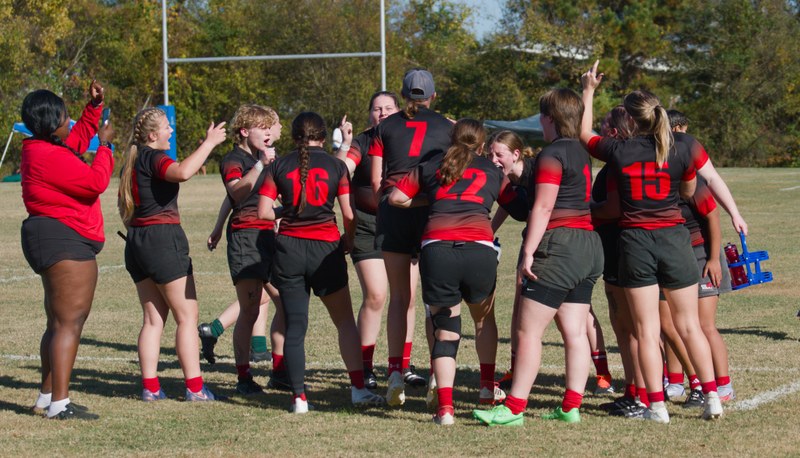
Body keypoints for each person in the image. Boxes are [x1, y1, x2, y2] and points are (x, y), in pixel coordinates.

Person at [578, 60, 747, 423]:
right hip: (675, 239)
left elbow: (585, 135)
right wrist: (735, 212)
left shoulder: (620, 151)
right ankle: (712, 396)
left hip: (636, 241)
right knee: (689, 325)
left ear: (632, 120)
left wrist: (588, 91)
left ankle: (656, 406)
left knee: (646, 329)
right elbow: (710, 181)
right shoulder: (683, 145)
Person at [474, 88, 603, 426]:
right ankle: (571, 406)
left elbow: (544, 206)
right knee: (574, 332)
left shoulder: (550, 155)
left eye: (542, 116)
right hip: (589, 245)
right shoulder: (581, 151)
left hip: (559, 246)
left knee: (528, 331)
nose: (540, 121)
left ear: (550, 118)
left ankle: (514, 408)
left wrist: (528, 251)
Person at [390, 118, 518, 425]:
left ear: (451, 139)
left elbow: (397, 197)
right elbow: (516, 204)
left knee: (446, 328)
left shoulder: (432, 165)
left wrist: (431, 197)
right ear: (483, 145)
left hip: (438, 250)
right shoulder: (492, 170)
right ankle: (487, 388)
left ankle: (445, 409)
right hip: (479, 249)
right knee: (483, 320)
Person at [257, 111, 384, 413]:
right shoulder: (336, 166)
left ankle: (299, 398)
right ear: (324, 138)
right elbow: (350, 215)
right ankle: (358, 389)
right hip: (326, 249)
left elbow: (262, 213)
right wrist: (349, 241)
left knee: (296, 327)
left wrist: (286, 211)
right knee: (344, 323)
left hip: (288, 251)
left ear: (294, 137)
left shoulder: (279, 166)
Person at [118, 107, 227, 402]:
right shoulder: (153, 157)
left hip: (137, 241)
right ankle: (195, 388)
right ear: (153, 135)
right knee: (187, 317)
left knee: (153, 320)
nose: (171, 131)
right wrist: (209, 142)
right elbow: (183, 172)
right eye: (167, 127)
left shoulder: (134, 158)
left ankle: (151, 388)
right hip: (162, 241)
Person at [21, 81, 114, 420]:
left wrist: (94, 109)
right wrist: (105, 147)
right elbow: (94, 182)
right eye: (64, 115)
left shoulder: (43, 147)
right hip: (63, 238)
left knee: (58, 322)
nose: (69, 120)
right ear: (51, 123)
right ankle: (60, 404)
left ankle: (47, 397)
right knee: (70, 322)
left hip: (52, 236)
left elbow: (76, 140)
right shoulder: (48, 154)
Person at [369, 69, 453, 406]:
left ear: (403, 96)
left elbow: (377, 183)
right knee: (436, 301)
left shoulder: (384, 126)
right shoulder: (448, 127)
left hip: (394, 211)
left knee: (399, 297)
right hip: (432, 212)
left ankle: (394, 372)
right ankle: (437, 376)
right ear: (433, 96)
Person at [337, 91, 423, 390]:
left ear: (400, 110)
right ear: (370, 114)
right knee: (376, 295)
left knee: (408, 296)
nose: (383, 113)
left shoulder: (409, 137)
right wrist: (346, 146)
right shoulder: (363, 141)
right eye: (376, 109)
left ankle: (401, 365)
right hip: (368, 224)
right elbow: (341, 170)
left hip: (403, 222)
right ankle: (365, 367)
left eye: (388, 108)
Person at [661, 109, 736, 406]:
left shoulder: (692, 179)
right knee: (669, 325)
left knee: (704, 325)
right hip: (674, 255)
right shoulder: (660, 168)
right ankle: (676, 382)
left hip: (701, 253)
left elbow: (713, 218)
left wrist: (714, 259)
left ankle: (723, 385)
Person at [212, 104, 288, 395]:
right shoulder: (234, 159)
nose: (268, 133)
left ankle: (279, 371)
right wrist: (261, 166)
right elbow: (236, 191)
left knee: (285, 302)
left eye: (270, 128)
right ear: (245, 131)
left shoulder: (262, 157)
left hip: (269, 236)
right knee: (249, 310)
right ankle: (244, 377)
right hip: (246, 238)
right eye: (262, 128)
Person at [590, 106, 649, 418]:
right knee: (625, 327)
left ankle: (641, 393)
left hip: (623, 249)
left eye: (603, 126)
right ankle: (633, 390)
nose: (598, 131)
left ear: (614, 132)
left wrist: (584, 209)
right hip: (621, 249)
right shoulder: (628, 157)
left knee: (630, 328)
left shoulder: (618, 161)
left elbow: (613, 209)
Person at [486, 130, 536, 392]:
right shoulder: (507, 178)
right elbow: (508, 202)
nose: (493, 159)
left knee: (575, 313)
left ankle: (603, 373)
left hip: (556, 242)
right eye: (489, 154)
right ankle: (515, 368)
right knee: (518, 307)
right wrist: (488, 230)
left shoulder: (536, 171)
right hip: (533, 240)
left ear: (516, 154)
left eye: (498, 154)